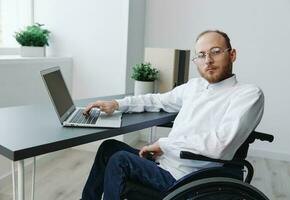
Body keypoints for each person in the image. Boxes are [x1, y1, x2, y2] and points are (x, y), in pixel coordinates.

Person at [80, 30, 264, 200]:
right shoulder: (195, 86)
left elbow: (219, 145)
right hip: (165, 163)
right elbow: (157, 100)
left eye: (215, 51)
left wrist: (164, 145)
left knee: (120, 161)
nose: (207, 60)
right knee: (109, 148)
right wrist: (117, 104)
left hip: (187, 176)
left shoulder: (247, 94)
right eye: (201, 55)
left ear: (232, 54)